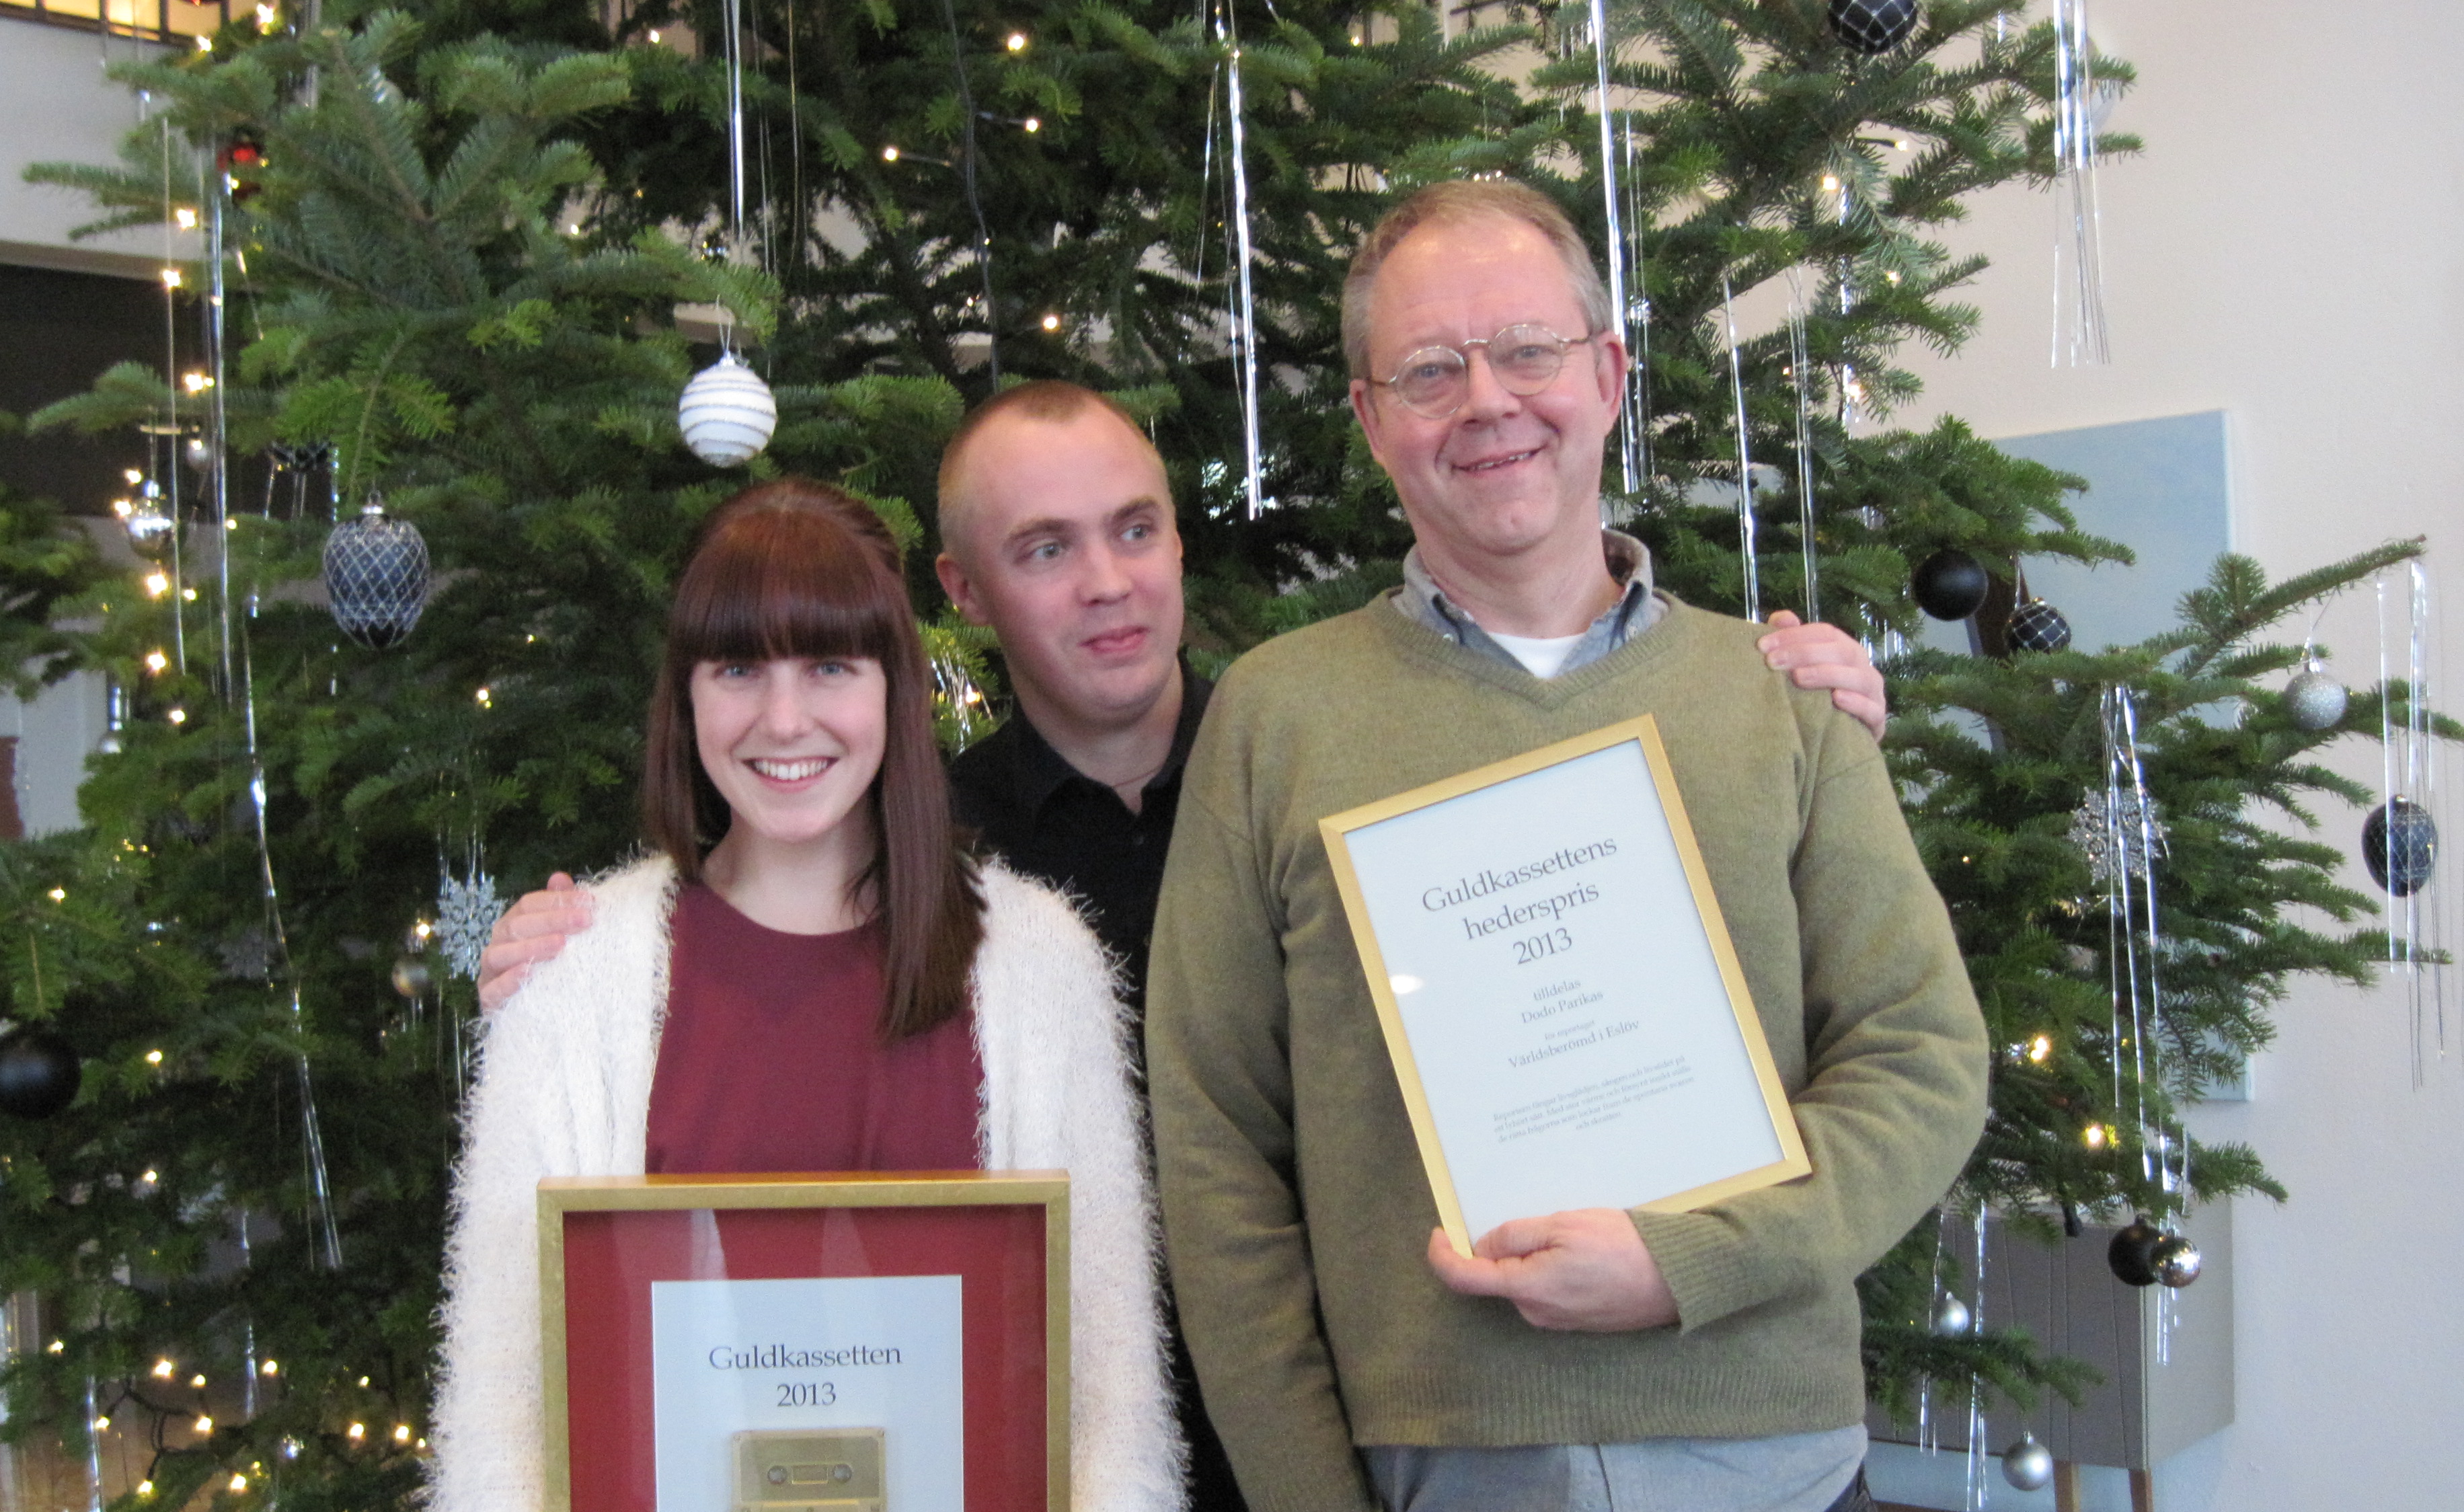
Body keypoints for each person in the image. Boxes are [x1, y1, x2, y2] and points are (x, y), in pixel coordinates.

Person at [473, 383, 1898, 1512]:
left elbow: (1574, 852)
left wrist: (1784, 702)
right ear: (964, 599)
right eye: (1044, 549)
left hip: (1360, 1414)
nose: (1105, 581)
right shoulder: (936, 855)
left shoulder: (1327, 752)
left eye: (1134, 527)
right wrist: (574, 948)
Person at [1143, 179, 1989, 1512]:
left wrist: (1691, 1258)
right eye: (1428, 368)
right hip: (1433, 1464)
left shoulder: (1773, 699)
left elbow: (1921, 1059)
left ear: (1603, 376)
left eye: (1527, 349)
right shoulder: (1274, 716)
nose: (1486, 398)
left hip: (1770, 1449)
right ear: (1371, 420)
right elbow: (1214, 1144)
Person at [429, 480, 1184, 1512]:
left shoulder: (1041, 968)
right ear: (686, 696)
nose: (784, 722)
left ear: (896, 689)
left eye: (831, 666)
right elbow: (504, 1424)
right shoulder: (571, 981)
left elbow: (1107, 1413)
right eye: (739, 668)